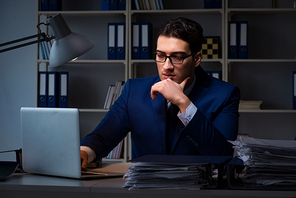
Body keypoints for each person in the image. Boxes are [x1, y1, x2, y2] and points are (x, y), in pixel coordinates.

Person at [80, 17, 240, 170]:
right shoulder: (133, 91)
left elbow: (223, 155)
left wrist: (185, 104)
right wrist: (85, 152)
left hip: (198, 191)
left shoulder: (225, 94)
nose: (167, 66)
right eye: (161, 56)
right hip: (144, 189)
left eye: (177, 57)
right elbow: (102, 137)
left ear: (197, 59)